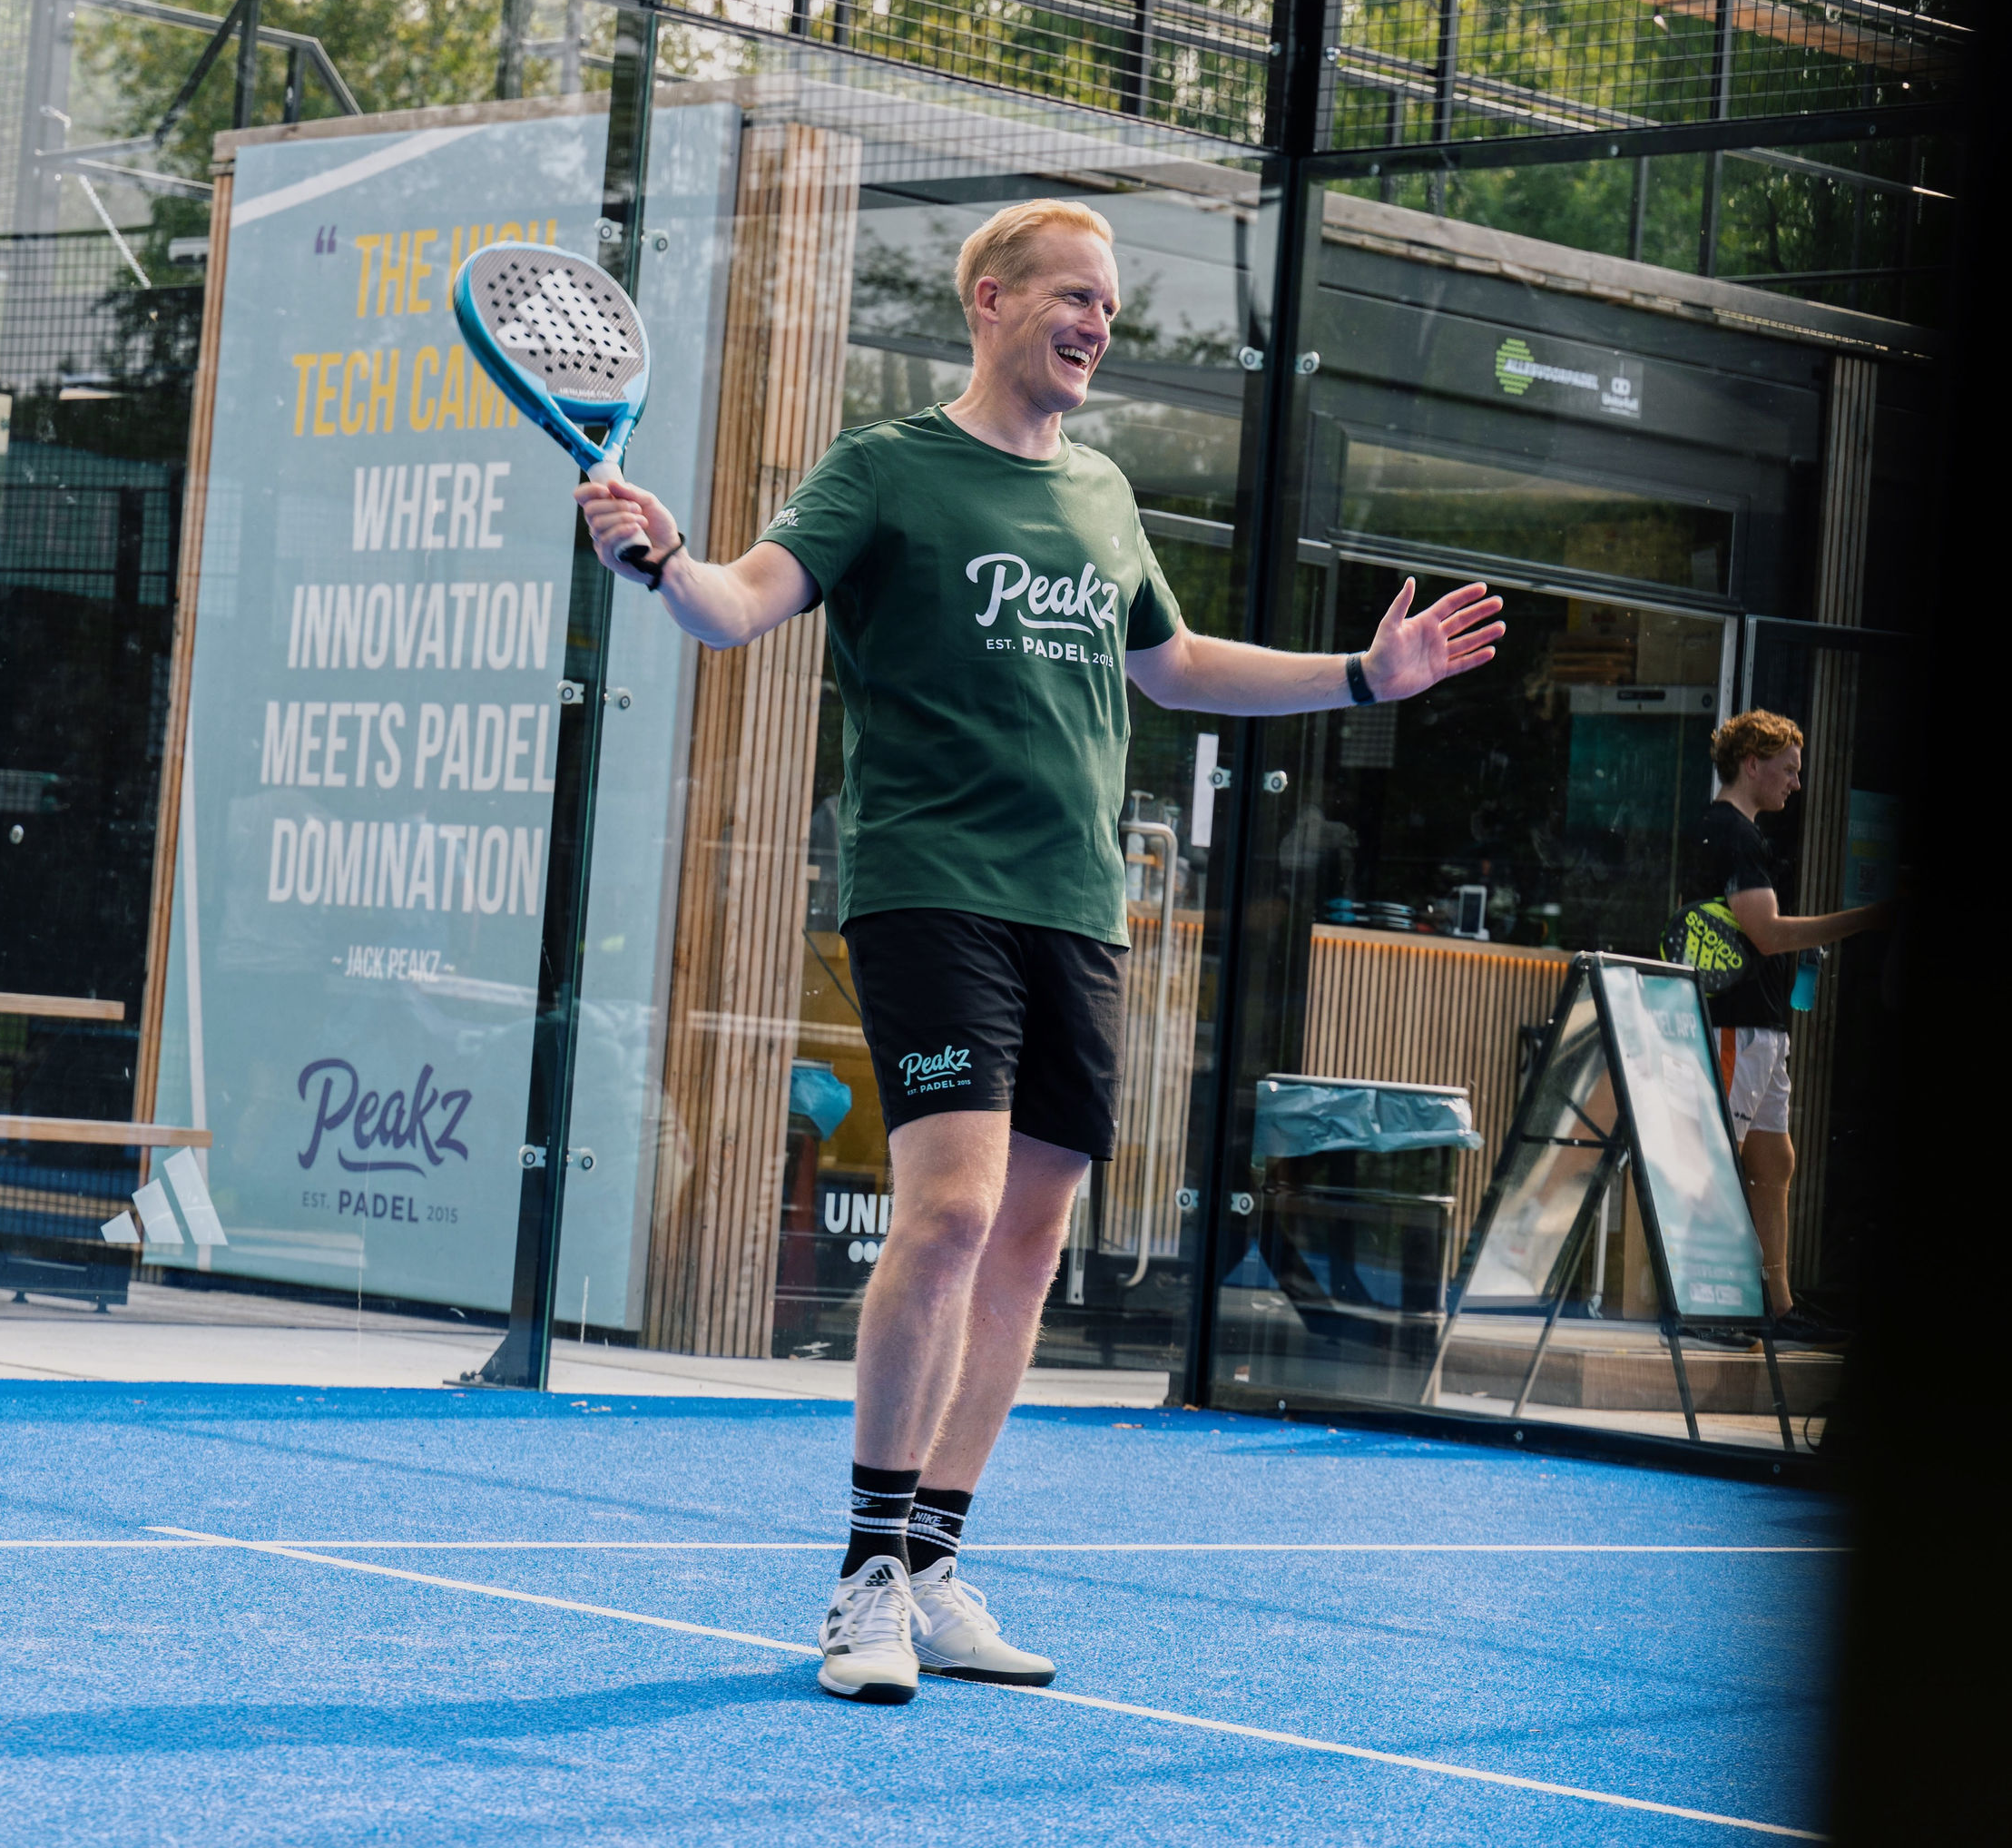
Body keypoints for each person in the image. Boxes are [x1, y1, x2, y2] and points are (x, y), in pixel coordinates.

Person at [572, 199, 1508, 1704]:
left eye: (1111, 308)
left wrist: (1359, 675)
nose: (1096, 325)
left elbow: (1176, 666)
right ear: (992, 300)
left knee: (1029, 1239)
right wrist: (662, 554)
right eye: (1073, 296)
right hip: (928, 887)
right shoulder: (885, 468)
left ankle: (935, 1561)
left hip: (1076, 906)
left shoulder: (1104, 493)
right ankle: (867, 1578)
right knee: (951, 1211)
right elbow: (738, 607)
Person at [1693, 709, 1890, 1345]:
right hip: (1737, 1023)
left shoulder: (1742, 833)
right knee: (1719, 1161)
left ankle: (1778, 1306)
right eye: (1788, 770)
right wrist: (1868, 919)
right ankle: (1707, 1302)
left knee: (1774, 1161)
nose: (1796, 783)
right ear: (1752, 765)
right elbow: (1768, 933)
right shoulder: (1731, 832)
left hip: (1762, 1024)